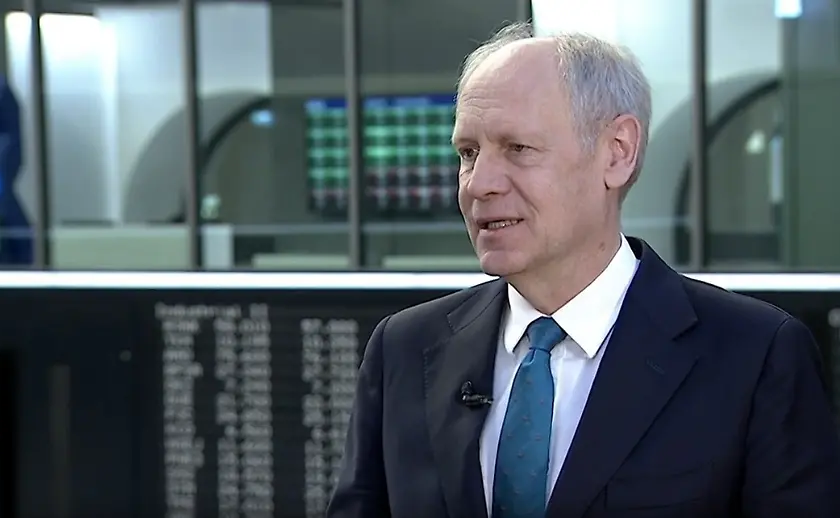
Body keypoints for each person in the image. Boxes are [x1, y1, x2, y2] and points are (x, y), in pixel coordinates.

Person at [325, 22, 840, 518]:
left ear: (617, 153)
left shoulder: (754, 356)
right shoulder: (404, 348)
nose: (479, 184)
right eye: (468, 153)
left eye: (518, 149)